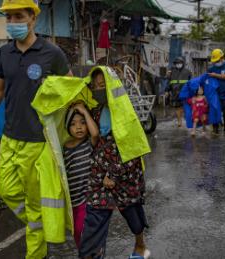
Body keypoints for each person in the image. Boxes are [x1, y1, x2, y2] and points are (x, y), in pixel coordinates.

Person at [0, 1, 73, 258]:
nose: (14, 22)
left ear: (33, 19)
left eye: (19, 16)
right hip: (10, 136)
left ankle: (36, 250)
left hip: (37, 141)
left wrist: (75, 126)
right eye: (9, 17)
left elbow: (69, 88)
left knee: (34, 200)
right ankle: (38, 222)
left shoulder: (52, 53)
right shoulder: (5, 53)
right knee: (6, 191)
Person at [79, 68, 151, 259]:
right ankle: (92, 255)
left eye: (102, 85)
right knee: (94, 215)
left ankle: (140, 245)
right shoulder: (95, 111)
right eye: (95, 86)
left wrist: (114, 174)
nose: (98, 90)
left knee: (132, 213)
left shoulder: (125, 113)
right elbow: (94, 139)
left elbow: (133, 149)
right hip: (99, 176)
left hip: (124, 175)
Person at [63, 103, 99, 248]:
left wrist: (84, 111)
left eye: (83, 123)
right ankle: (86, 254)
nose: (78, 127)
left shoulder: (89, 143)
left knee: (82, 229)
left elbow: (95, 133)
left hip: (87, 198)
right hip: (73, 200)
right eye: (73, 124)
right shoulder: (64, 147)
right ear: (67, 127)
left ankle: (89, 252)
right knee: (77, 233)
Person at [207, 49, 225, 136]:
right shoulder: (211, 68)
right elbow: (207, 81)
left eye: (217, 60)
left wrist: (215, 75)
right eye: (214, 61)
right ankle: (215, 130)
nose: (215, 62)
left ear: (222, 57)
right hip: (217, 94)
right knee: (215, 111)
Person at [165, 57, 192, 127]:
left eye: (179, 63)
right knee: (177, 107)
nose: (178, 64)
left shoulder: (188, 72)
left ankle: (184, 119)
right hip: (175, 93)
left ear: (183, 63)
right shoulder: (172, 72)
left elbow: (191, 83)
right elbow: (169, 82)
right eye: (177, 63)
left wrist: (192, 92)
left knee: (184, 107)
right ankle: (179, 121)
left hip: (185, 93)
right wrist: (167, 91)